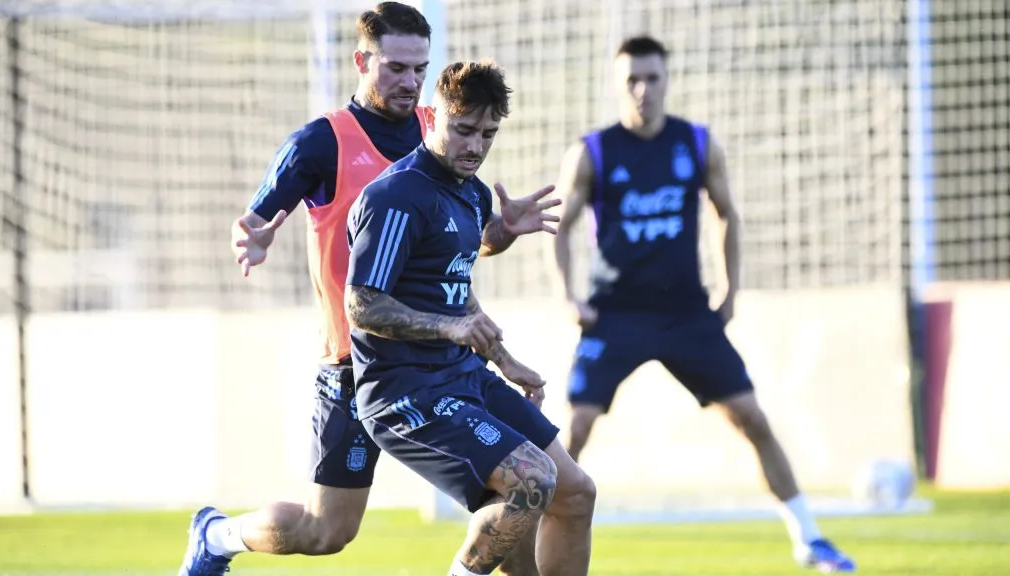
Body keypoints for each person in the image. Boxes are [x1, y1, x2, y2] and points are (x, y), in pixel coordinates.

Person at [178, 4, 550, 575]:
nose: (410, 81)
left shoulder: (444, 129)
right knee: (326, 531)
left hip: (435, 365)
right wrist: (251, 236)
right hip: (354, 363)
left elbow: (462, 249)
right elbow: (253, 222)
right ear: (361, 61)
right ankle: (217, 535)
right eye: (396, 67)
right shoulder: (321, 142)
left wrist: (502, 232)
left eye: (420, 68)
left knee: (535, 488)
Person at [552, 35, 856, 573]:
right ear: (618, 84)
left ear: (667, 80)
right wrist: (568, 295)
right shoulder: (594, 151)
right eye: (632, 80)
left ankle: (810, 539)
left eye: (652, 78)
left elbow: (727, 214)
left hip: (686, 314)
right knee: (574, 428)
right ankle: (528, 538)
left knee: (752, 418)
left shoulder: (695, 143)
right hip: (615, 314)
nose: (643, 89)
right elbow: (561, 225)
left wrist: (730, 291)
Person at [345, 60, 596, 576]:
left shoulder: (472, 192)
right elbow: (361, 303)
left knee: (574, 492)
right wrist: (450, 328)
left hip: (463, 377)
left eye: (488, 134)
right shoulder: (396, 196)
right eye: (463, 130)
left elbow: (454, 276)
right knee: (532, 480)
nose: (475, 146)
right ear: (432, 116)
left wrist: (504, 358)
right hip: (406, 394)